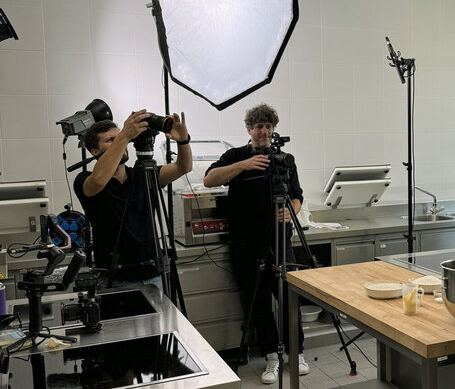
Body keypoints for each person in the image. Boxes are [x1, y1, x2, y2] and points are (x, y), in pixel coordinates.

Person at [203, 103, 310, 384]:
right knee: (258, 302)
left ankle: (295, 352)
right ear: (249, 129)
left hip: (279, 242)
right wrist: (244, 165)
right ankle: (271, 356)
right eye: (258, 126)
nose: (264, 131)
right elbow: (209, 180)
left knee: (288, 298)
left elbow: (297, 195)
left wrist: (292, 210)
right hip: (246, 245)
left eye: (268, 126)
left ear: (273, 129)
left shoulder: (285, 158)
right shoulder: (235, 156)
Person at [73, 110, 192, 289]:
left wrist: (183, 141)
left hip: (153, 274)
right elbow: (98, 180)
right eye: (110, 140)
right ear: (94, 151)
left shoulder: (144, 174)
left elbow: (183, 167)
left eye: (119, 137)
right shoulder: (84, 179)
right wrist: (124, 135)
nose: (120, 142)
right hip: (115, 277)